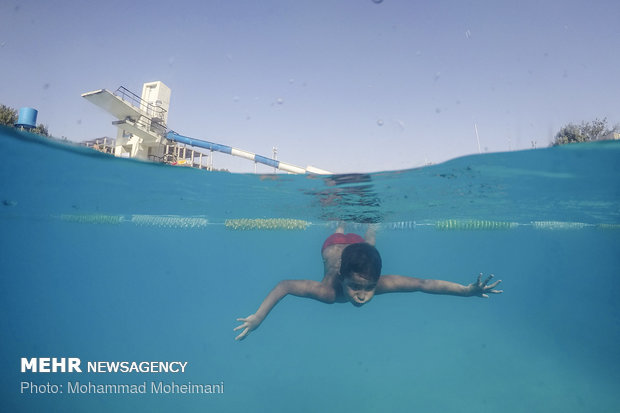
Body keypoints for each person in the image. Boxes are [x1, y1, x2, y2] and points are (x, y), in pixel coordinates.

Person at [234, 224, 502, 340]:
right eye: (355, 287)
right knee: (339, 232)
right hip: (335, 247)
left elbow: (424, 283)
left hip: (359, 251)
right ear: (341, 278)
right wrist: (258, 317)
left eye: (368, 287)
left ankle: (370, 226)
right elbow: (283, 286)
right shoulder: (327, 292)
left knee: (369, 242)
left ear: (377, 281)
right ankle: (341, 222)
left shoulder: (379, 282)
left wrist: (466, 291)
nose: (362, 295)